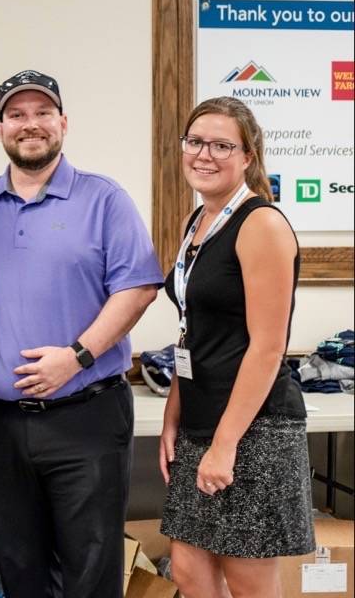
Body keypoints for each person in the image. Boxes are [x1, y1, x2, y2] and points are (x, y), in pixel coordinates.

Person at [0, 70, 163, 598]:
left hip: (86, 417)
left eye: (43, 113)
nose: (31, 125)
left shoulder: (104, 200)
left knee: (91, 573)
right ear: (0, 128)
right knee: (19, 569)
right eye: (18, 115)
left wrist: (75, 356)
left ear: (63, 123)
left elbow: (138, 288)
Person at [158, 97, 313, 598]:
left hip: (253, 429)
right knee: (189, 570)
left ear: (248, 155)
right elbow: (193, 330)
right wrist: (173, 416)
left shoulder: (260, 224)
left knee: (249, 583)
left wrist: (224, 446)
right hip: (202, 420)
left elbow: (269, 349)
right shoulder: (196, 223)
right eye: (195, 141)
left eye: (222, 145)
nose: (204, 154)